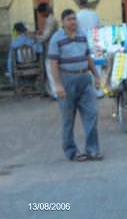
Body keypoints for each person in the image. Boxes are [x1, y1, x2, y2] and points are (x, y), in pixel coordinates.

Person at [48, 9, 102, 162]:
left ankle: (92, 150)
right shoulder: (56, 38)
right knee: (68, 119)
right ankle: (71, 152)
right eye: (69, 20)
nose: (73, 22)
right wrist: (58, 85)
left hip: (84, 78)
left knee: (91, 114)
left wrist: (96, 76)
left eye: (74, 19)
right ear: (63, 21)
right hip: (67, 80)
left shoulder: (82, 35)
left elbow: (87, 56)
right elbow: (53, 63)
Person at [76, 0, 103, 98]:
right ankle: (99, 92)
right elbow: (98, 28)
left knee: (84, 68)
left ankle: (88, 91)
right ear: (87, 2)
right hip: (96, 42)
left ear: (78, 3)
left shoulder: (77, 16)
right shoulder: (94, 14)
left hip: (82, 43)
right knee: (97, 67)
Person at [35, 3, 59, 98]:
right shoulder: (50, 19)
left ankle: (55, 93)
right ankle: (54, 91)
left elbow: (45, 36)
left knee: (50, 70)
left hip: (51, 49)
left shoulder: (50, 20)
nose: (40, 16)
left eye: (40, 13)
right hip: (52, 48)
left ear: (44, 12)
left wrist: (35, 37)